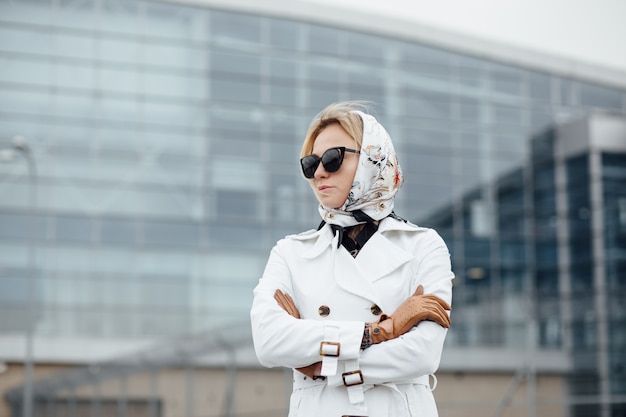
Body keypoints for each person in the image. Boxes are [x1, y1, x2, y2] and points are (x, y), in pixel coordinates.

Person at [250, 101, 453, 417]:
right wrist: (379, 332)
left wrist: (318, 366)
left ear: (373, 158)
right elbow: (268, 342)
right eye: (310, 163)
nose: (318, 172)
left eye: (333, 159)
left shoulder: (423, 246)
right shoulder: (290, 252)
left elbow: (422, 354)